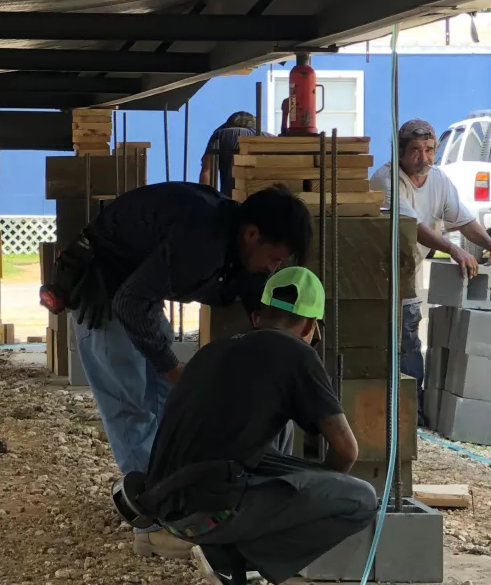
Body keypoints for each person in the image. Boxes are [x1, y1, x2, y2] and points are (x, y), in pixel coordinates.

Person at [42, 182, 312, 559]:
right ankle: (152, 525)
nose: (274, 268)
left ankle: (181, 506)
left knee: (175, 404)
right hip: (103, 294)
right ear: (251, 234)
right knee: (131, 409)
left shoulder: (237, 245)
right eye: (273, 258)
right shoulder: (201, 241)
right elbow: (128, 304)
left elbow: (258, 310)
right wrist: (170, 367)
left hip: (138, 291)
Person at [134, 267, 377, 585]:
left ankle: (230, 555)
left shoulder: (210, 352)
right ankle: (243, 564)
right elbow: (347, 451)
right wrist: (313, 495)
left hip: (165, 508)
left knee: (280, 430)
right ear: (309, 325)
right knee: (360, 499)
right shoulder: (297, 353)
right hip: (209, 512)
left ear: (257, 317)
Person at [371, 119, 491, 425]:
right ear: (400, 152)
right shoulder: (387, 180)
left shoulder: (438, 179)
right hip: (377, 273)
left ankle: (414, 414)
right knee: (388, 340)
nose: (424, 158)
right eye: (415, 150)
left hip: (407, 269)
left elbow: (463, 219)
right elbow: (414, 229)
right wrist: (454, 249)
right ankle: (396, 416)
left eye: (429, 149)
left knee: (409, 337)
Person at [200, 111, 260, 195]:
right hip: (262, 197)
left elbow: (207, 171)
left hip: (230, 198)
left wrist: (205, 198)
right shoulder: (269, 138)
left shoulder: (221, 134)